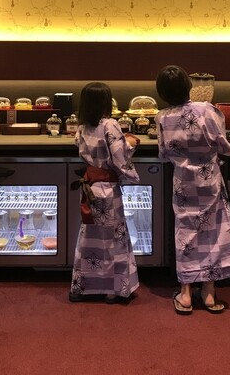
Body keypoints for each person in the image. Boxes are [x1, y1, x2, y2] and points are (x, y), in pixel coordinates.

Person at [155, 65, 230, 315]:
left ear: (162, 93)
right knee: (213, 233)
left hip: (183, 183)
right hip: (209, 181)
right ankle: (209, 293)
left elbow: (163, 154)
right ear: (188, 86)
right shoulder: (207, 110)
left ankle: (185, 294)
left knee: (186, 235)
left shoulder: (162, 117)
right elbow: (224, 146)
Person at [69, 81, 141, 304]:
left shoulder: (82, 127)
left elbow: (81, 147)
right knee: (113, 238)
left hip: (90, 188)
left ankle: (84, 286)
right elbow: (119, 158)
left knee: (90, 236)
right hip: (108, 190)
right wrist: (131, 143)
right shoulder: (110, 124)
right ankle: (112, 289)